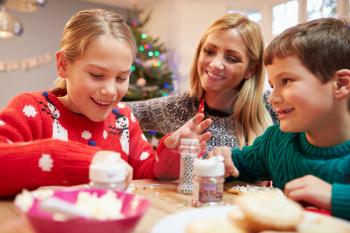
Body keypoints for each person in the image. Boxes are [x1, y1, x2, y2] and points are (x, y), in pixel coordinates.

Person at [0, 9, 210, 197]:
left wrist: (172, 152)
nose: (110, 91)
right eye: (97, 75)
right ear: (63, 65)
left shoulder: (123, 118)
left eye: (121, 78)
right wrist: (87, 160)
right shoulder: (31, 110)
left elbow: (146, 173)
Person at [207, 17, 350, 220]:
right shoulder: (276, 141)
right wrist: (223, 160)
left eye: (287, 81)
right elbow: (239, 166)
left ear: (341, 84)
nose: (273, 98)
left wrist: (335, 197)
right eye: (273, 85)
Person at [127, 13, 275, 153]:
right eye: (209, 51)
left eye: (231, 58)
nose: (216, 64)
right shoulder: (179, 107)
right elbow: (116, 113)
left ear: (251, 69)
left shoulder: (272, 106)